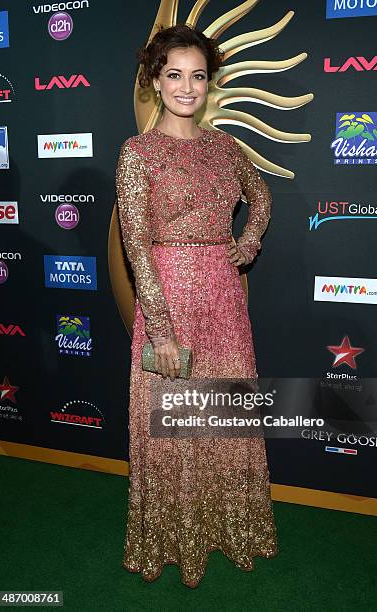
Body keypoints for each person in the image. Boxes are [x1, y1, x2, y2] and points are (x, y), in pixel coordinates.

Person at [115, 23, 278, 589]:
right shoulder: (138, 153)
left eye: (198, 76)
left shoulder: (224, 147)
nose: (188, 87)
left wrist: (247, 242)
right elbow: (136, 246)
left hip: (224, 297)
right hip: (169, 299)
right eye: (175, 75)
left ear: (211, 83)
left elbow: (260, 197)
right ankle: (175, 538)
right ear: (155, 82)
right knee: (174, 424)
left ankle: (231, 528)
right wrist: (159, 329)